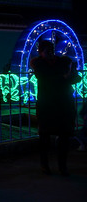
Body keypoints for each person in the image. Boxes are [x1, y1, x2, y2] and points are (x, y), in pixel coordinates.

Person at [30, 40, 80, 176]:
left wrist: (64, 77)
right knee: (45, 137)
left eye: (51, 50)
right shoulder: (39, 64)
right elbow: (45, 78)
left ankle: (62, 166)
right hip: (48, 105)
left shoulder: (63, 62)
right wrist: (64, 77)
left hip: (63, 105)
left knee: (64, 137)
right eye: (47, 51)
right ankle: (45, 164)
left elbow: (76, 78)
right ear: (41, 52)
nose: (50, 53)